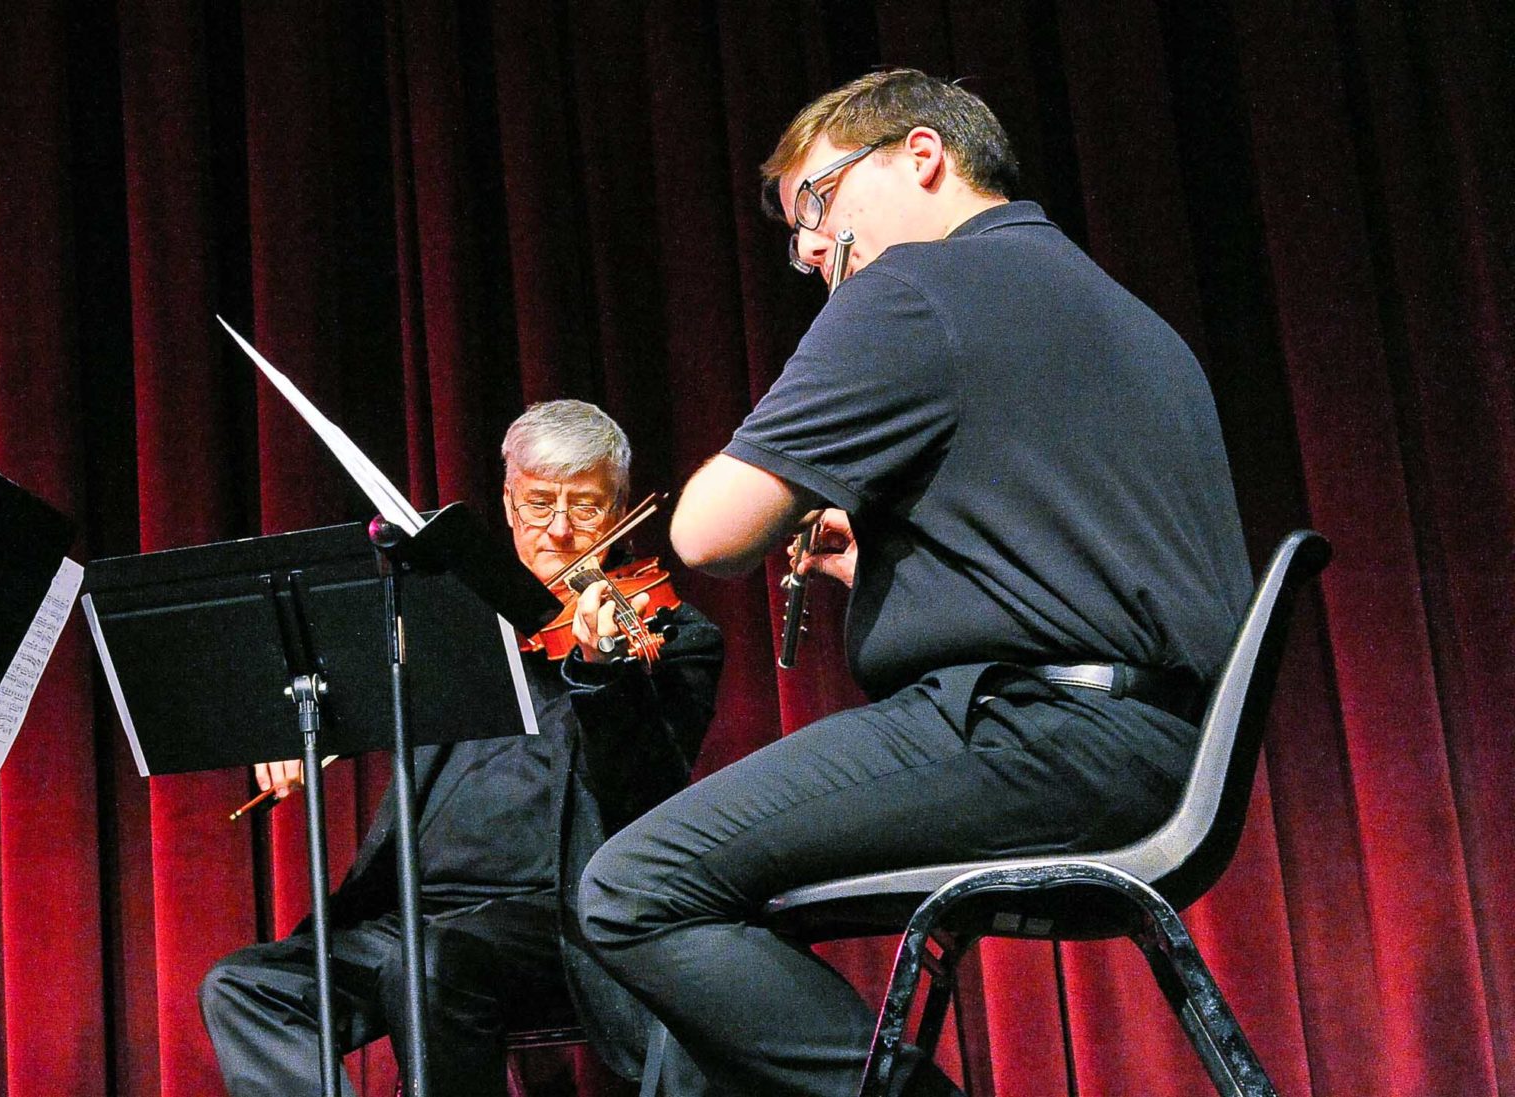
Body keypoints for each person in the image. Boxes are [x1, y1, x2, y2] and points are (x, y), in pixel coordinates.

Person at [576, 70, 1252, 1096]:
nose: (807, 246)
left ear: (922, 155)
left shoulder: (913, 288)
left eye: (816, 201)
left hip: (1036, 732)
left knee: (634, 887)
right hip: (1157, 747)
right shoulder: (1124, 315)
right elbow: (1078, 550)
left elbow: (705, 532)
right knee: (719, 916)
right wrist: (895, 559)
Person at [200, 399, 724, 1096]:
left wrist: (602, 673)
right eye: (539, 503)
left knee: (430, 962)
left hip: (557, 918)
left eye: (586, 507)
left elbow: (648, 789)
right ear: (507, 504)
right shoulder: (455, 622)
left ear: (620, 506)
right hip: (413, 911)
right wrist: (310, 735)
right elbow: (355, 697)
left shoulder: (670, 634)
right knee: (244, 986)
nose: (559, 529)